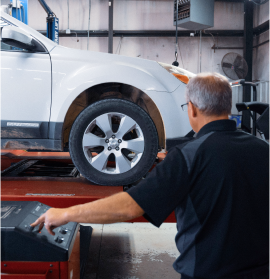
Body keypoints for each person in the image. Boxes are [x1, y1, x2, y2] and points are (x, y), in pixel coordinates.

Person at [31, 73, 270, 279]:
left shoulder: (188, 156)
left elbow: (129, 207)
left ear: (192, 108)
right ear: (228, 105)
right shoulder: (263, 150)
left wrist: (66, 213)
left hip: (208, 272)